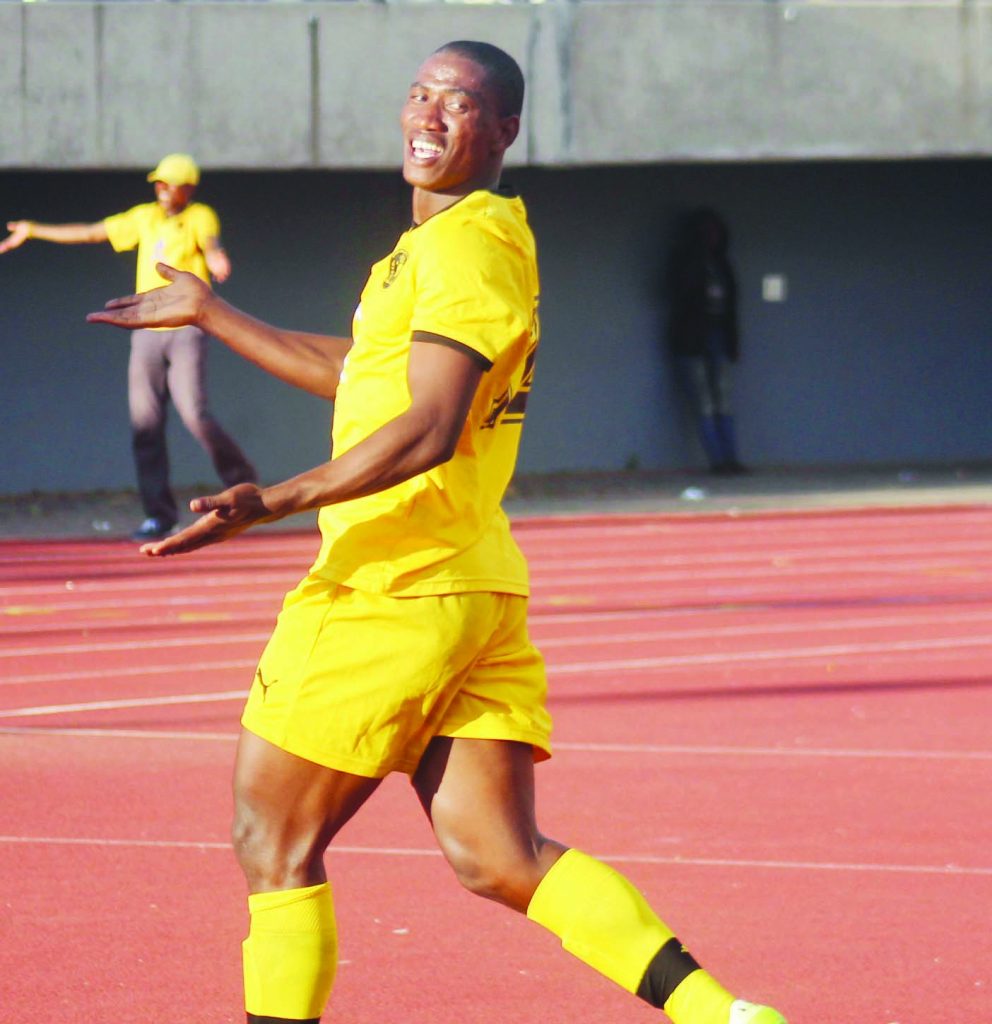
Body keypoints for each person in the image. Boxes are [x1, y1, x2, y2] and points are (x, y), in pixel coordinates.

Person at [88, 42, 786, 1024]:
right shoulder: (446, 244)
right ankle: (725, 1015)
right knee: (497, 856)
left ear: (503, 129)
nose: (429, 114)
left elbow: (428, 424)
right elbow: (372, 374)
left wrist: (271, 498)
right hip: (469, 583)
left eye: (459, 103)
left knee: (270, 838)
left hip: (392, 582)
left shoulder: (464, 245)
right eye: (419, 95)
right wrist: (211, 310)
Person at [1, 153, 257, 540]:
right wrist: (34, 229)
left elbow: (211, 243)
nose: (162, 191)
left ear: (187, 189)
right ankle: (159, 514)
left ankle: (244, 486)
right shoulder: (144, 217)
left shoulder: (200, 215)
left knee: (194, 413)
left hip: (187, 328)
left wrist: (217, 257)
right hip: (146, 331)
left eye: (169, 185)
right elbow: (91, 232)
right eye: (158, 184)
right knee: (145, 426)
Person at [666, 207, 746, 475]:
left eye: (715, 233)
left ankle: (731, 456)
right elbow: (677, 293)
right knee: (704, 401)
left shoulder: (722, 263)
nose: (711, 238)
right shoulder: (685, 262)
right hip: (692, 340)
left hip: (718, 334)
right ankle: (717, 461)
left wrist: (733, 341)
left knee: (723, 397)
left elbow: (732, 304)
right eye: (706, 233)